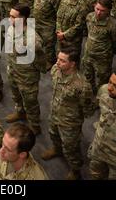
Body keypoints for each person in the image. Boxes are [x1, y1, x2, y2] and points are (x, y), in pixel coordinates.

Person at [42, 49, 94, 180]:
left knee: (71, 148)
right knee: (53, 134)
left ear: (72, 64)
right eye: (58, 58)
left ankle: (75, 170)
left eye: (62, 60)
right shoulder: (55, 70)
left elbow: (88, 107)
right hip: (54, 113)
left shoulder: (81, 85)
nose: (58, 62)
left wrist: (76, 118)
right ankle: (56, 150)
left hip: (70, 122)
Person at [5, 3, 45, 135]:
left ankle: (34, 125)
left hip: (27, 76)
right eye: (10, 16)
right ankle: (20, 113)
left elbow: (39, 53)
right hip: (13, 70)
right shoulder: (11, 29)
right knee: (16, 95)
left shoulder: (32, 37)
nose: (10, 19)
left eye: (13, 17)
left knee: (30, 102)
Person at [82, 0, 116, 94]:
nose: (98, 13)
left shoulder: (113, 25)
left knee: (102, 81)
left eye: (102, 11)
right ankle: (90, 94)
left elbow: (115, 41)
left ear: (108, 11)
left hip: (103, 58)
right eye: (97, 9)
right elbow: (88, 32)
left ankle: (100, 98)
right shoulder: (89, 17)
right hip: (88, 54)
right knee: (87, 77)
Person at [33, 0, 61, 71]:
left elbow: (58, 13)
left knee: (49, 46)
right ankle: (38, 59)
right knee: (37, 43)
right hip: (37, 23)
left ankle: (50, 61)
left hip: (48, 25)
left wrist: (57, 28)